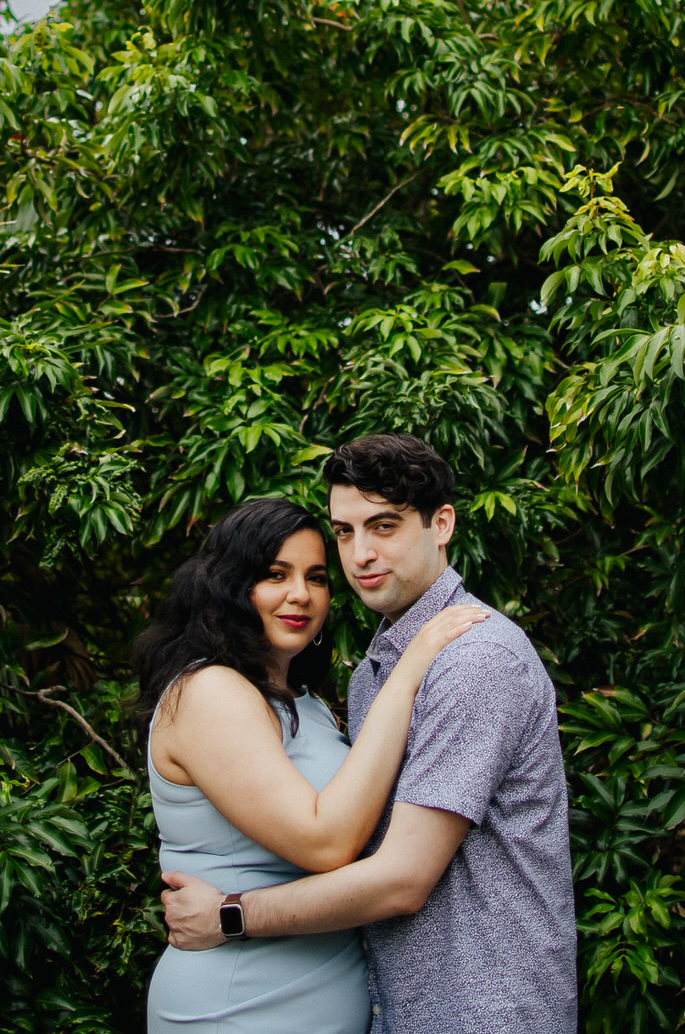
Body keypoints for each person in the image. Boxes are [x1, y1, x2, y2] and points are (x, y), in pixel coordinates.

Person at [161, 435, 577, 1033]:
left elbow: (402, 878)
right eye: (346, 532)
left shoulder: (474, 658)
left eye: (383, 526)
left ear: (442, 524)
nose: (361, 554)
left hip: (483, 1010)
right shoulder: (374, 678)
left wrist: (230, 915)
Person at [137, 495, 487, 1032]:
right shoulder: (209, 691)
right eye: (276, 575)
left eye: (317, 577)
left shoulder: (305, 701)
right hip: (237, 1005)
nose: (300, 595)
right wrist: (412, 666)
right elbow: (325, 842)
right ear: (231, 586)